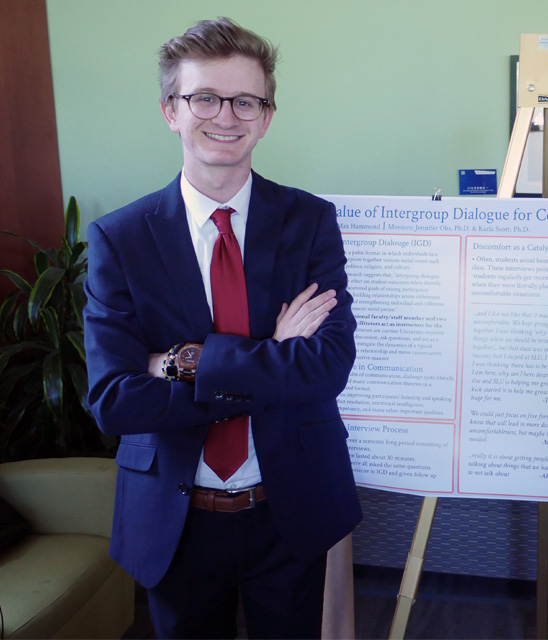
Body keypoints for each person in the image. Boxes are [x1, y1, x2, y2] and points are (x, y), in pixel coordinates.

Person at [83, 17, 361, 639]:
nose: (226, 117)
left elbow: (327, 367)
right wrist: (272, 356)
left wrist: (180, 361)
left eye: (246, 100)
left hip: (289, 505)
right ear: (170, 112)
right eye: (204, 97)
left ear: (267, 115)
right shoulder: (119, 239)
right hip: (174, 518)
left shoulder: (310, 222)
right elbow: (114, 399)